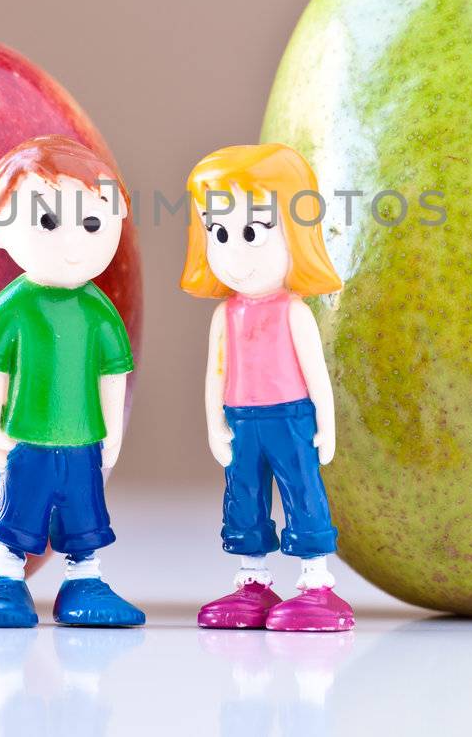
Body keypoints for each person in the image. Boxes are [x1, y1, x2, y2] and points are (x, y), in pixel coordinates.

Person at [0, 135, 144, 628]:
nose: (71, 243)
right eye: (47, 221)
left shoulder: (98, 311)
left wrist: (114, 435)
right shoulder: (12, 309)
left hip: (83, 440)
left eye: (91, 224)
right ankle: (5, 581)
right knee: (17, 512)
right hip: (26, 439)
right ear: (0, 226)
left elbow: (113, 375)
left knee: (84, 516)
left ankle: (85, 581)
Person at [181, 143, 354, 632]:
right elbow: (216, 374)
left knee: (302, 488)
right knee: (243, 493)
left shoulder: (293, 312)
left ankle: (316, 583)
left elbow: (315, 372)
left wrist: (327, 424)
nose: (235, 252)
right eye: (219, 233)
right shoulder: (226, 314)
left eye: (253, 232)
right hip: (242, 420)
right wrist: (215, 425)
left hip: (291, 416)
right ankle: (252, 579)